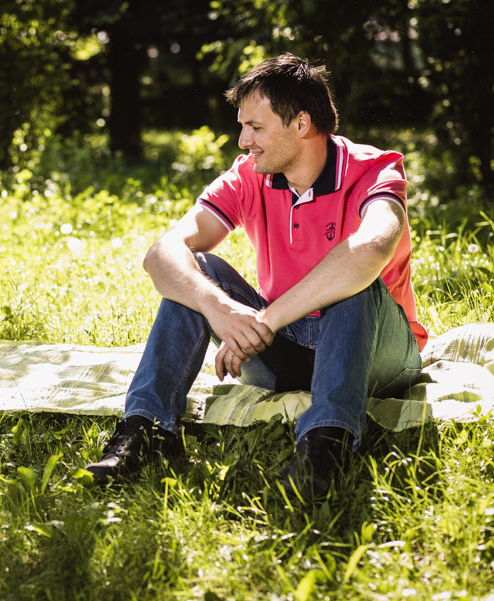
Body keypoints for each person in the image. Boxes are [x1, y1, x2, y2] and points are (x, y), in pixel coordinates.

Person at [84, 53, 427, 501]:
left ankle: (324, 452)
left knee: (352, 279)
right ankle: (146, 432)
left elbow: (370, 249)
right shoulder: (249, 176)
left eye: (256, 128)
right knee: (198, 272)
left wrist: (265, 321)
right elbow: (161, 254)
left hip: (377, 353)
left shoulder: (374, 168)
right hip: (284, 349)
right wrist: (220, 308)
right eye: (243, 126)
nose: (244, 140)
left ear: (301, 123)